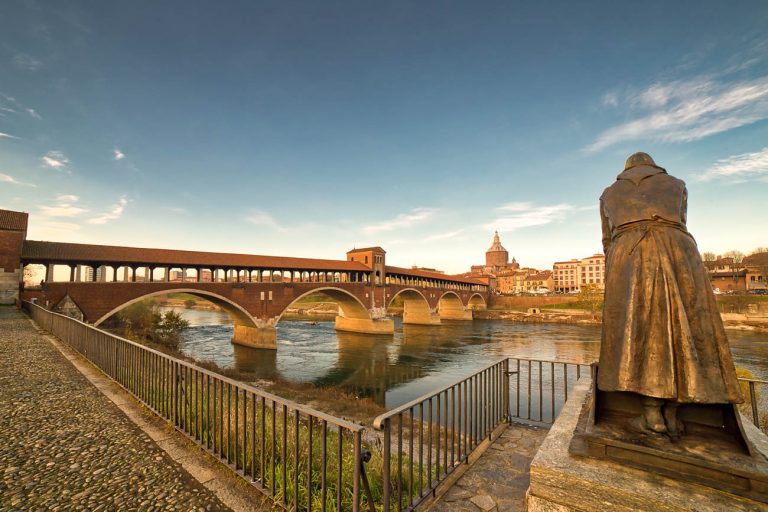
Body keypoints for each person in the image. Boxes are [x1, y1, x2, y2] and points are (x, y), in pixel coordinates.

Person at [598, 152, 742, 438]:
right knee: (687, 324)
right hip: (679, 251)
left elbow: (606, 238)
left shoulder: (608, 193)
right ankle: (676, 410)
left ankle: (652, 413)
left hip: (627, 254)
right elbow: (681, 221)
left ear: (626, 169)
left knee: (634, 328)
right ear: (653, 166)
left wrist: (616, 265)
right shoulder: (677, 183)